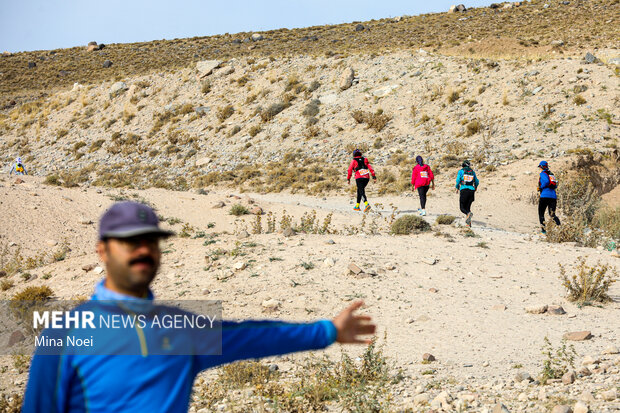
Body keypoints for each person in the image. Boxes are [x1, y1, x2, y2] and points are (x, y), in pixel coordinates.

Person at [23, 202, 376, 413]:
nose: (143, 250)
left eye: (151, 241)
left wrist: (329, 331)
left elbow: (256, 336)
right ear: (102, 250)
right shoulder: (64, 334)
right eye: (130, 242)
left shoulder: (183, 329)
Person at [537, 160, 561, 234]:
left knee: (541, 213)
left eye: (539, 167)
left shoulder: (543, 173)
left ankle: (543, 231)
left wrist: (541, 187)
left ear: (541, 167)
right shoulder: (551, 174)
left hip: (544, 196)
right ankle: (560, 228)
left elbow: (546, 182)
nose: (539, 169)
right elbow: (555, 185)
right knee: (552, 214)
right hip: (553, 196)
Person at [455, 160, 479, 227]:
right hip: (471, 191)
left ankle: (468, 214)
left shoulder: (461, 171)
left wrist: (457, 188)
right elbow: (476, 181)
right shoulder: (472, 172)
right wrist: (476, 187)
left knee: (462, 208)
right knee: (468, 207)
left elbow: (458, 181)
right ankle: (468, 224)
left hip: (464, 190)